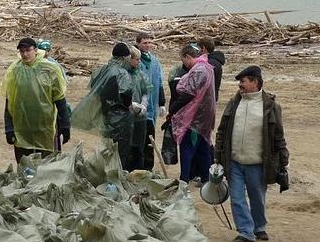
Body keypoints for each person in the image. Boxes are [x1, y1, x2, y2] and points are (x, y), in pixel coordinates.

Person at [214, 66, 290, 242]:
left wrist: (283, 161)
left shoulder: (270, 106)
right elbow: (222, 131)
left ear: (255, 82)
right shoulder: (234, 103)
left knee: (257, 197)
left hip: (257, 163)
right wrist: (217, 156)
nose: (240, 84)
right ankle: (245, 232)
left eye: (243, 81)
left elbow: (278, 135)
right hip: (234, 162)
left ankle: (259, 227)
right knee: (237, 197)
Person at [73, 43, 142, 169]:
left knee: (108, 148)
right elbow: (126, 94)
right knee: (120, 151)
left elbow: (95, 88)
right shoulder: (122, 73)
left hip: (105, 114)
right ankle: (117, 177)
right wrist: (132, 105)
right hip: (121, 117)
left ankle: (107, 174)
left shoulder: (102, 70)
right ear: (125, 58)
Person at [1, 37, 70, 163]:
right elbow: (9, 102)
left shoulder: (49, 69)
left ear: (36, 50)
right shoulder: (15, 71)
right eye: (22, 51)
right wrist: (9, 128)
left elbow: (60, 100)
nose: (25, 54)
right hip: (22, 131)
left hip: (45, 129)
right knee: (24, 169)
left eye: (28, 50)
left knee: (46, 169)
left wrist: (65, 125)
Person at [169, 44, 217, 184]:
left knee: (187, 147)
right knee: (203, 147)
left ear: (188, 56)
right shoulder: (207, 67)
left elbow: (189, 93)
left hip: (195, 116)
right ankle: (206, 178)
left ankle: (185, 178)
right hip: (205, 116)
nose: (183, 64)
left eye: (183, 60)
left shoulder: (199, 70)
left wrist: (173, 109)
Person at [136, 33, 166, 170]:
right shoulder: (135, 60)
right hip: (139, 107)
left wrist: (162, 103)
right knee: (139, 140)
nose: (147, 45)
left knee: (150, 139)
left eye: (149, 42)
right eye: (144, 43)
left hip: (152, 107)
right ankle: (138, 167)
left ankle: (148, 168)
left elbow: (159, 82)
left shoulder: (154, 61)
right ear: (138, 43)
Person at [196, 36, 226, 101]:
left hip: (206, 99)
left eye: (198, 49)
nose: (198, 51)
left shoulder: (208, 64)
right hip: (213, 98)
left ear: (203, 48)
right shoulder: (216, 61)